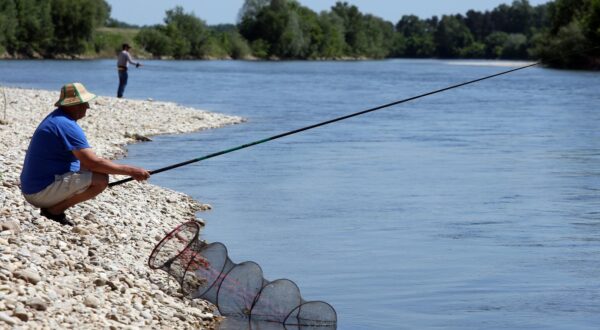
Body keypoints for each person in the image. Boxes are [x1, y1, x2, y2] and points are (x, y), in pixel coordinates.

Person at [20, 83, 150, 226]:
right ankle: (54, 211)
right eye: (84, 103)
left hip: (34, 187)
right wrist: (132, 171)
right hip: (39, 192)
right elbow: (92, 162)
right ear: (74, 105)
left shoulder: (57, 119)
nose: (87, 107)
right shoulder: (65, 125)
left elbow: (87, 162)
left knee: (97, 170)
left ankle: (53, 207)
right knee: (101, 180)